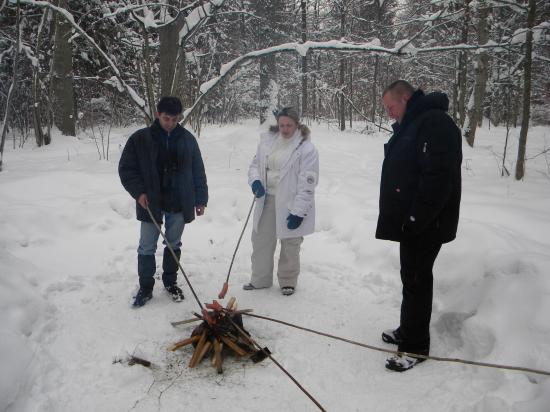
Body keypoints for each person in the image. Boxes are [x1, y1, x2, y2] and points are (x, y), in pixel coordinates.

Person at [376, 80, 462, 371]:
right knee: (410, 276)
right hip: (414, 220)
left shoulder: (435, 123)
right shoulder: (415, 121)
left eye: (391, 107)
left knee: (416, 279)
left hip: (427, 222)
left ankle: (415, 347)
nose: (389, 113)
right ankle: (408, 330)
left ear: (406, 97)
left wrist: (416, 218)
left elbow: (438, 178)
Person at [118, 96, 208, 307]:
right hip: (151, 201)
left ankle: (170, 282)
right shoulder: (141, 139)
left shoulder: (187, 139)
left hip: (179, 200)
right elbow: (126, 169)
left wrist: (201, 198)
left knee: (173, 243)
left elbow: (198, 170)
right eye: (166, 118)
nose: (170, 123)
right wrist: (138, 192)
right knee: (147, 245)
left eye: (174, 119)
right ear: (158, 114)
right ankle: (146, 287)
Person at [243, 107, 319, 296]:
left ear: (297, 124)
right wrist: (255, 181)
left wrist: (299, 211)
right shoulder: (267, 142)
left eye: (289, 125)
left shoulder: (306, 149)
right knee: (261, 239)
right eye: (282, 124)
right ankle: (260, 279)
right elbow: (254, 166)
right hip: (267, 198)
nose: (285, 129)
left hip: (290, 202)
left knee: (290, 242)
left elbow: (308, 184)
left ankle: (288, 280)